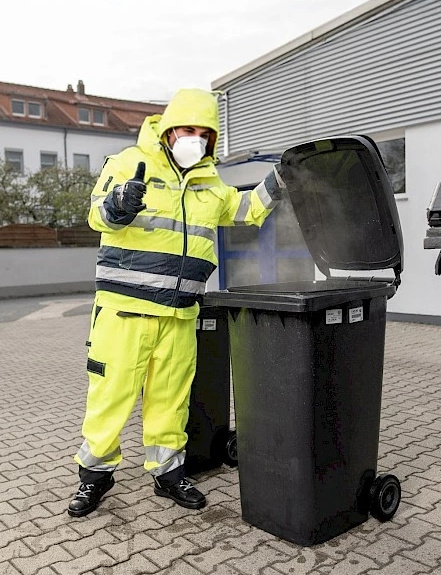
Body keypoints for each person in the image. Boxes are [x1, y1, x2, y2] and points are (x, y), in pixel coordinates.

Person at [68, 88, 285, 517]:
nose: (196, 140)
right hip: (124, 311)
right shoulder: (129, 162)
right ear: (168, 130)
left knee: (171, 399)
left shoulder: (210, 182)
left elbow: (245, 210)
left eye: (205, 134)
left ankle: (168, 473)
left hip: (181, 314)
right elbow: (96, 214)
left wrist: (279, 182)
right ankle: (94, 479)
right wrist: (118, 205)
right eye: (188, 130)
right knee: (110, 397)